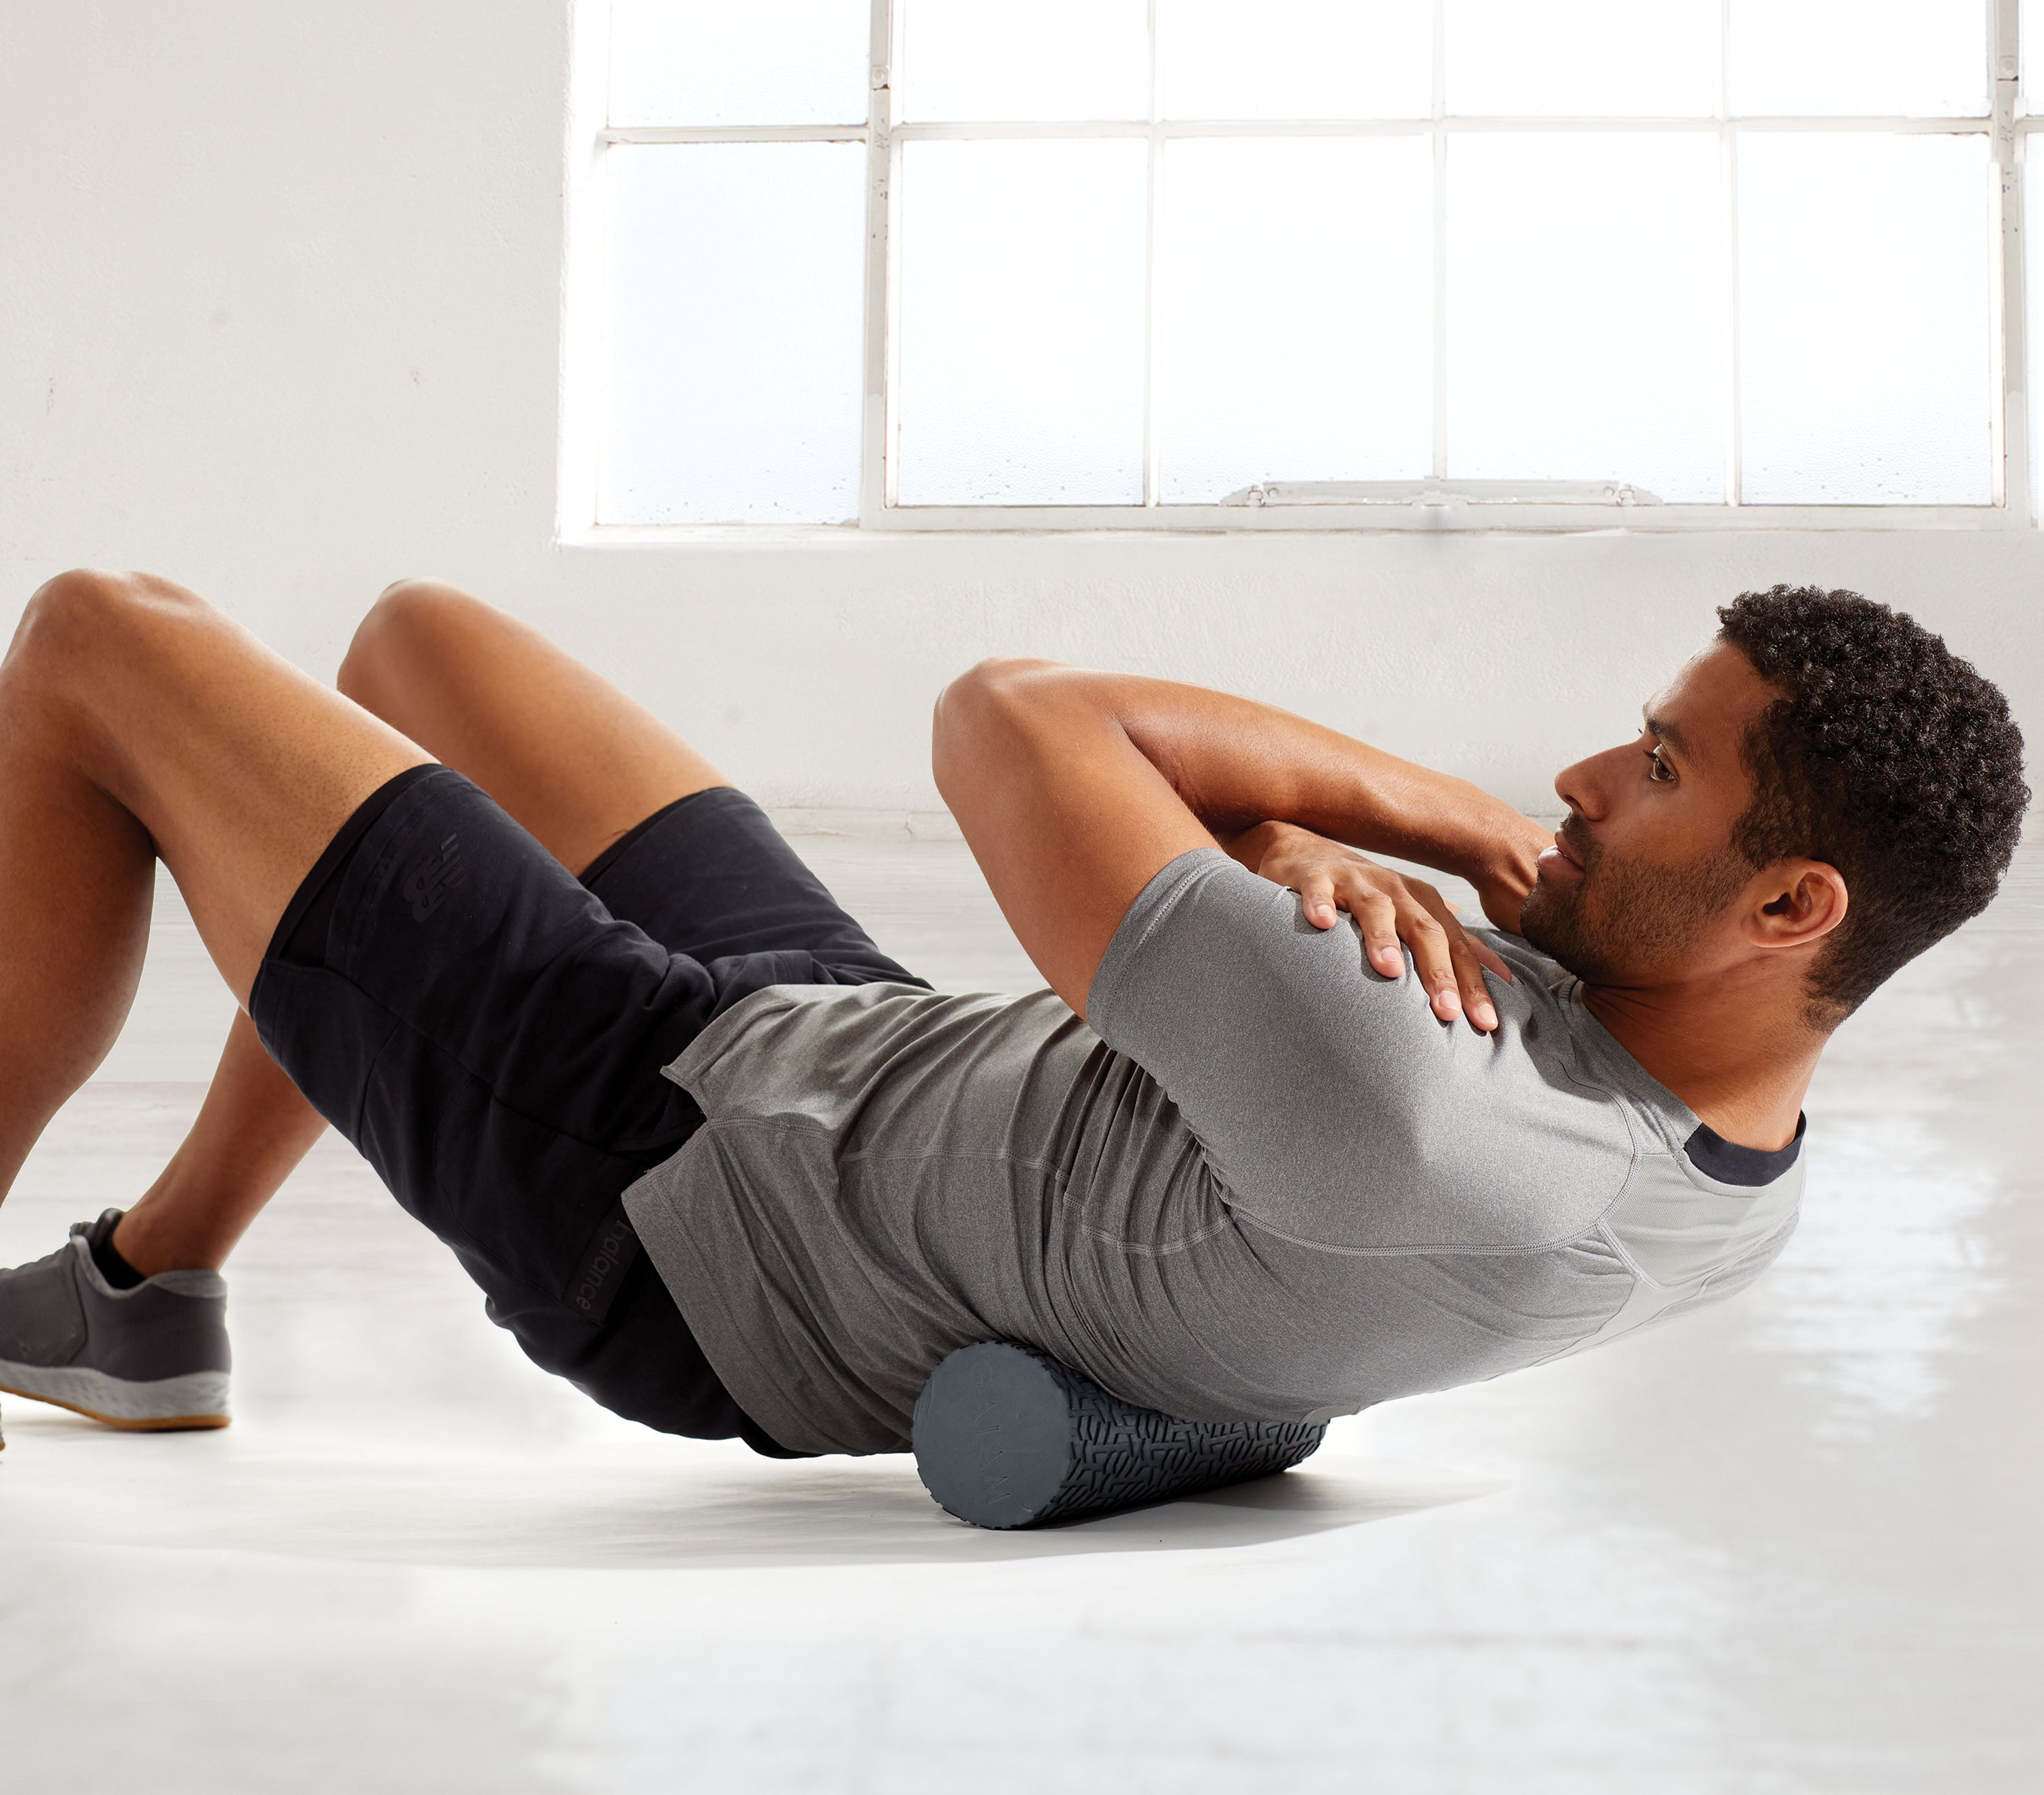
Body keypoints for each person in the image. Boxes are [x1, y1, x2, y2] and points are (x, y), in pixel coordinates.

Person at [0, 574, 2026, 1457]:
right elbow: (1170, 823)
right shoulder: (1736, 1183)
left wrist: (1430, 825)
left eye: (1658, 770)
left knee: (105, 638)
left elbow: (1016, 720)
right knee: (414, 650)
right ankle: (153, 1294)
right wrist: (1277, 870)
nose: (1581, 778)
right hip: (866, 1068)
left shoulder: (1416, 1106)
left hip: (678, 1192)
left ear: (1791, 905)